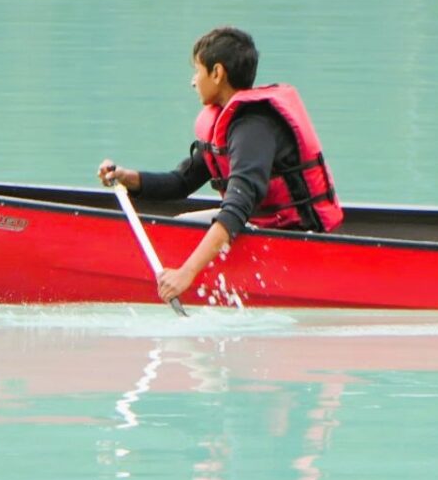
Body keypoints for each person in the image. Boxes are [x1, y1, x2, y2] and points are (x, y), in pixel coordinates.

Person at [98, 26, 342, 301]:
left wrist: (186, 273)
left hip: (291, 236)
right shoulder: (227, 123)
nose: (193, 81)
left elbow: (237, 208)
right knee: (182, 227)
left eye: (197, 71)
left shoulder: (253, 128)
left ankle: (191, 285)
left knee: (183, 233)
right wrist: (126, 177)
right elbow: (181, 182)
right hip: (259, 224)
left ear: (217, 73)